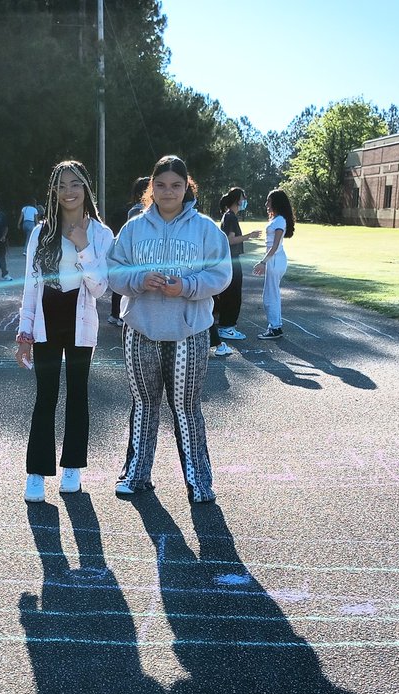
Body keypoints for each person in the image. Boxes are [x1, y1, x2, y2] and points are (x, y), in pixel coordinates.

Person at [107, 154, 232, 503]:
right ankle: (136, 475)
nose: (168, 192)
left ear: (186, 187)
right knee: (145, 404)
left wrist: (187, 287)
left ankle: (198, 481)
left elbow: (221, 275)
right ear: (151, 187)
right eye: (160, 185)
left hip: (188, 333)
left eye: (176, 185)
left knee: (186, 407)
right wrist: (139, 278)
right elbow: (114, 272)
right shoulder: (133, 228)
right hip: (140, 330)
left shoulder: (206, 228)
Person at [15, 161, 114, 503]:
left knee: (77, 394)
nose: (68, 191)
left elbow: (101, 288)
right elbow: (30, 285)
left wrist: (83, 244)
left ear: (86, 188)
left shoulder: (101, 234)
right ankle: (37, 472)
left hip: (80, 320)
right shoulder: (40, 231)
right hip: (46, 317)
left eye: (75, 184)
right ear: (53, 192)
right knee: (45, 397)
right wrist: (23, 334)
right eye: (61, 186)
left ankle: (73, 466)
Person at [209, 187, 261, 356]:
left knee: (229, 292)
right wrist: (249, 236)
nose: (245, 199)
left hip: (230, 260)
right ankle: (227, 326)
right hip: (232, 260)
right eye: (244, 197)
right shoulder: (230, 216)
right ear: (238, 199)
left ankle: (225, 324)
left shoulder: (229, 216)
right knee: (233, 293)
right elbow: (231, 240)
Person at [253, 188, 295, 340]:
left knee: (270, 295)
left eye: (268, 201)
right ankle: (275, 325)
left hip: (275, 259)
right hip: (274, 259)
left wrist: (263, 262)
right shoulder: (277, 219)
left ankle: (275, 327)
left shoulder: (279, 221)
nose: (266, 204)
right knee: (272, 294)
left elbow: (275, 246)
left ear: (276, 202)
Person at [108, 176, 150, 327]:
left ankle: (115, 314)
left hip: (130, 254)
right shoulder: (139, 210)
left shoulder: (134, 209)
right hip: (135, 256)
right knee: (127, 286)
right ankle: (119, 315)